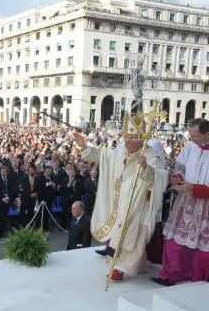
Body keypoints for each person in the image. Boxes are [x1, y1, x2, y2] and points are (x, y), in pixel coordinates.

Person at [72, 111, 168, 281]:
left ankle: (118, 268)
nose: (127, 143)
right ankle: (136, 264)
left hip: (137, 204)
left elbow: (161, 177)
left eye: (130, 141)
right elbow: (102, 155)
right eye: (126, 139)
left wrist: (146, 168)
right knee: (120, 233)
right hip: (119, 201)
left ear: (140, 140)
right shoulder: (121, 151)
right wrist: (84, 146)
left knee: (130, 236)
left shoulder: (150, 155)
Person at [152, 118, 209, 286]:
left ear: (207, 134)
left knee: (199, 247)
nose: (191, 140)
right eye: (189, 136)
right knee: (174, 241)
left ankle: (196, 280)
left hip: (205, 206)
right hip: (186, 201)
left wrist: (195, 188)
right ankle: (170, 275)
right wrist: (178, 178)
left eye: (195, 136)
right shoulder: (190, 147)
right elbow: (181, 168)